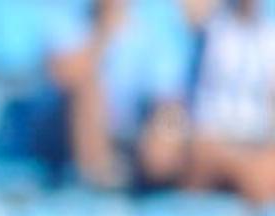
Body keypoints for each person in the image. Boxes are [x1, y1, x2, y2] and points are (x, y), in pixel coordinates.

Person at [43, 0, 187, 191]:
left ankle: (156, 180)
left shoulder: (158, 17)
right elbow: (65, 75)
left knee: (171, 117)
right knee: (86, 86)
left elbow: (170, 94)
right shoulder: (68, 13)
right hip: (67, 135)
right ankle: (97, 178)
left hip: (135, 134)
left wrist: (164, 137)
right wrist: (104, 32)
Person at [182, 0, 275, 202]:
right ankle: (245, 175)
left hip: (255, 140)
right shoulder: (211, 24)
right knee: (201, 155)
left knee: (266, 169)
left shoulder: (269, 35)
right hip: (212, 139)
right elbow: (188, 9)